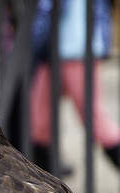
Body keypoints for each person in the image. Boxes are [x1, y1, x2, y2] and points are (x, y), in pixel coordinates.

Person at [30, 0, 120, 172]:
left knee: (96, 121)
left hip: (77, 49)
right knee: (38, 123)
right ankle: (48, 184)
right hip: (49, 50)